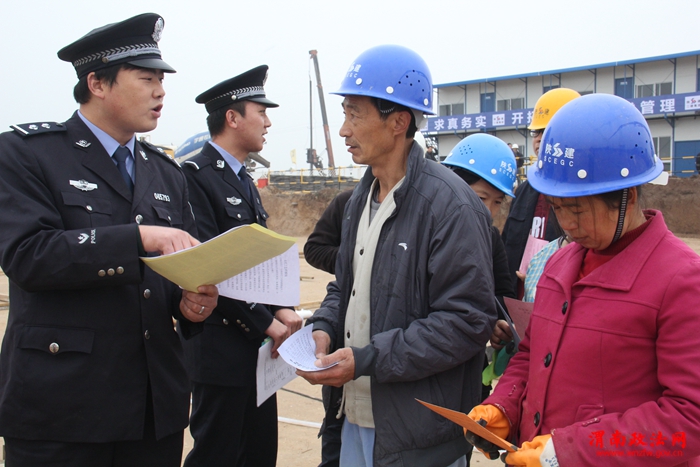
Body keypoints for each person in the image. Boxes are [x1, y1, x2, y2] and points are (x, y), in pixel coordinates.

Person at [0, 13, 219, 467]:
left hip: (152, 409)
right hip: (64, 408)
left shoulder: (166, 172)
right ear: (97, 83)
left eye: (162, 80)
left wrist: (191, 304)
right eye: (147, 79)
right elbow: (28, 256)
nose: (160, 92)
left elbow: (178, 271)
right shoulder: (27, 154)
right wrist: (137, 237)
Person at [467, 93, 700, 466]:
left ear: (627, 197)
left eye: (576, 210)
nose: (567, 225)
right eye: (558, 208)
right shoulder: (559, 265)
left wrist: (570, 451)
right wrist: (503, 405)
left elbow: (689, 421)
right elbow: (531, 354)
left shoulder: (681, 280)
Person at [298, 44, 497, 467]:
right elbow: (345, 287)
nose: (344, 130)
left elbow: (466, 322)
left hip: (418, 437)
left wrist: (368, 358)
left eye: (355, 115)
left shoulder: (449, 206)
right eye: (345, 114)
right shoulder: (359, 200)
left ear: (398, 122)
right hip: (354, 416)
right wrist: (324, 328)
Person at [180, 65, 302, 467]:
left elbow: (258, 263)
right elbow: (211, 268)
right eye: (260, 112)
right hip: (220, 348)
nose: (268, 122)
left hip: (257, 350)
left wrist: (282, 308)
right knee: (218, 455)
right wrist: (267, 322)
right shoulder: (195, 178)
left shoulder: (244, 180)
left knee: (258, 453)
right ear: (232, 118)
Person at [441, 133, 517, 397]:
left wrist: (498, 323)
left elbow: (503, 296)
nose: (489, 211)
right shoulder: (425, 231)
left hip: (468, 372)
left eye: (497, 202)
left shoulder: (490, 237)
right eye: (482, 198)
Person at [501, 88, 580, 296]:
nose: (539, 139)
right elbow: (507, 245)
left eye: (548, 130)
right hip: (520, 296)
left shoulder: (585, 195)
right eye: (536, 132)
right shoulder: (525, 191)